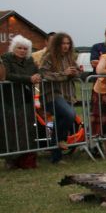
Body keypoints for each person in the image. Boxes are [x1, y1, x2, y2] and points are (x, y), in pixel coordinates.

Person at [1, 35, 40, 169]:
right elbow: (8, 75)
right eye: (19, 48)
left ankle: (25, 159)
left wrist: (37, 76)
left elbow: (36, 73)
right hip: (9, 100)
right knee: (10, 130)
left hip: (26, 99)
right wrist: (29, 78)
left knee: (27, 130)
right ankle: (10, 159)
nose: (22, 51)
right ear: (13, 48)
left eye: (25, 48)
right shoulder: (6, 58)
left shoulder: (30, 61)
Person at [40, 32, 80, 163]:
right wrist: (64, 74)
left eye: (68, 43)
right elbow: (44, 74)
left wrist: (76, 73)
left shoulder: (70, 58)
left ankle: (56, 158)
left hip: (67, 94)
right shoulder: (48, 57)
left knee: (60, 122)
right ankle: (60, 139)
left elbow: (76, 75)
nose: (66, 46)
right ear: (57, 44)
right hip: (52, 95)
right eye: (63, 43)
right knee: (70, 114)